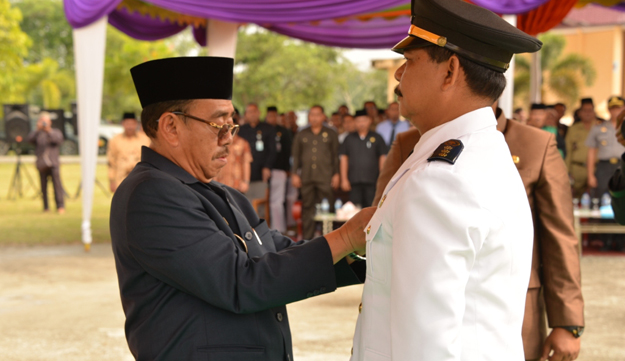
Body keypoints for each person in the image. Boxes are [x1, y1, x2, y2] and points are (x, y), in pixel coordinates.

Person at [110, 56, 373, 360]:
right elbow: (239, 281)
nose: (228, 139)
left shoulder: (221, 193)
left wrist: (365, 257)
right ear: (170, 127)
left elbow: (276, 251)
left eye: (231, 125)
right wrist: (346, 237)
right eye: (218, 125)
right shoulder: (150, 195)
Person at [350, 0, 542, 359]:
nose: (398, 75)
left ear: (450, 71)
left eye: (410, 61)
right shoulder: (482, 153)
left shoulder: (440, 182)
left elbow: (427, 346)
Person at [373, 104, 585, 361]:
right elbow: (380, 220)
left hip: (508, 309)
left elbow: (558, 236)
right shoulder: (410, 142)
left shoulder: (535, 143)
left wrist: (567, 322)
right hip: (423, 304)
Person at [291, 105, 340, 240]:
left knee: (328, 207)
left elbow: (335, 155)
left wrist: (336, 174)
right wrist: (294, 173)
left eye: (318, 114)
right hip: (307, 177)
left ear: (323, 116)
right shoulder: (302, 133)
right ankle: (307, 240)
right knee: (307, 208)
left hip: (325, 176)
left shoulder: (331, 133)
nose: (314, 117)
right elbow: (296, 156)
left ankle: (329, 238)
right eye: (312, 114)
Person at [587, 96, 625, 252]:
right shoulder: (599, 127)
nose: (616, 111)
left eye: (619, 107)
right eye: (613, 108)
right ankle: (605, 240)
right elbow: (591, 152)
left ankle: (621, 241)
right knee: (604, 203)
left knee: (621, 202)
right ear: (609, 109)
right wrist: (590, 174)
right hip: (604, 167)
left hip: (622, 165)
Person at [340, 110, 387, 208]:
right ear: (354, 122)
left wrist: (382, 178)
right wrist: (344, 179)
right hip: (354, 181)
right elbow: (344, 159)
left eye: (364, 120)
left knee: (371, 208)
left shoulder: (377, 137)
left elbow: (382, 158)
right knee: (354, 209)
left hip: (372, 181)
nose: (361, 123)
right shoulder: (349, 139)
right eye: (358, 121)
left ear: (369, 121)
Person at [237, 103, 276, 209]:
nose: (252, 114)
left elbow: (272, 150)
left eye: (254, 111)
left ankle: (260, 225)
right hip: (244, 176)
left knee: (260, 205)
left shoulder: (268, 129)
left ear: (259, 113)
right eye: (249, 112)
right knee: (245, 205)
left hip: (261, 173)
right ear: (245, 115)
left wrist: (267, 167)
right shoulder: (241, 130)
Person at [27, 112, 65, 214]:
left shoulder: (55, 132)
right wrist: (37, 129)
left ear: (50, 122)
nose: (44, 123)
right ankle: (46, 207)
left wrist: (48, 131)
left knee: (57, 185)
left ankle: (60, 206)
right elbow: (29, 140)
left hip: (53, 163)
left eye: (46, 121)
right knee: (43, 186)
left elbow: (58, 140)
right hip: (42, 164)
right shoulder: (38, 134)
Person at [265, 106, 295, 233]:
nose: (272, 118)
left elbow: (289, 151)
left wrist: (288, 169)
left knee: (277, 202)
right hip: (263, 171)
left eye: (274, 116)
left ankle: (279, 229)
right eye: (269, 116)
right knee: (265, 201)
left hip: (279, 170)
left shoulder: (283, 131)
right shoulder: (263, 129)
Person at [107, 112, 151, 192]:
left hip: (141, 178)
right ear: (122, 124)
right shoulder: (115, 140)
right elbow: (111, 162)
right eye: (127, 123)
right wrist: (111, 181)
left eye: (132, 124)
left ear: (136, 124)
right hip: (121, 178)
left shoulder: (145, 139)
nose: (130, 127)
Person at [566, 98, 600, 198]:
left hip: (597, 169)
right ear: (579, 113)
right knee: (575, 199)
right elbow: (569, 151)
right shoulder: (573, 129)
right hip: (577, 169)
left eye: (590, 110)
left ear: (594, 112)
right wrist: (568, 172)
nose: (587, 113)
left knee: (596, 199)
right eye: (585, 110)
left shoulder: (601, 127)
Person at [212, 115, 252, 193]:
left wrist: (246, 182)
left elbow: (246, 163)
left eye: (232, 126)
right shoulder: (218, 142)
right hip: (220, 182)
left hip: (237, 184)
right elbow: (213, 160)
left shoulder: (243, 143)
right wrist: (213, 179)